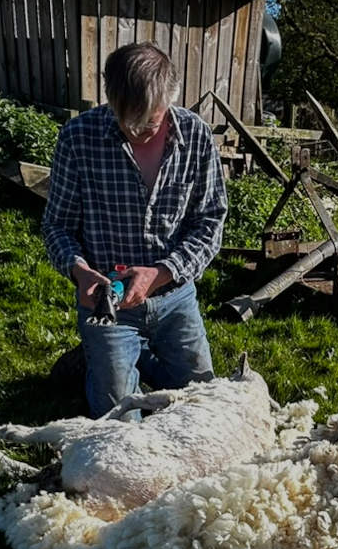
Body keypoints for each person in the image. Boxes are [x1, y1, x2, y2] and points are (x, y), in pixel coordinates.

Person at [42, 42, 228, 415]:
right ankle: (110, 355)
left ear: (171, 100)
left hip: (175, 296)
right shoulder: (78, 138)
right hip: (107, 304)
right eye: (125, 121)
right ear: (110, 100)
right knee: (118, 420)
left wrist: (161, 273)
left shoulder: (195, 136)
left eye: (148, 123)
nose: (135, 132)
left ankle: (128, 357)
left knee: (203, 405)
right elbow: (57, 226)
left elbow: (210, 220)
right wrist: (80, 273)